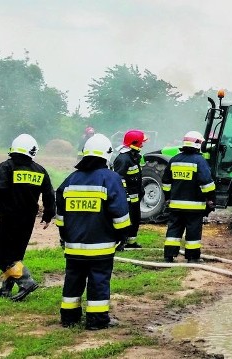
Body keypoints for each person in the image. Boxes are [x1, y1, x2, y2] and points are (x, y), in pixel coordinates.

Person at [56, 133, 130, 329]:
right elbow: (120, 213)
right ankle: (96, 320)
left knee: (73, 280)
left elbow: (61, 215)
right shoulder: (111, 178)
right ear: (107, 155)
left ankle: (69, 317)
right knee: (98, 281)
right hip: (100, 247)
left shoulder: (70, 180)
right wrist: (122, 236)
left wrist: (64, 236)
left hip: (73, 247)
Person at [0, 134, 55, 301]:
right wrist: (48, 215)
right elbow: (49, 194)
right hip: (28, 219)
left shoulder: (7, 166)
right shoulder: (40, 170)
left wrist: (3, 201)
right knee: (16, 254)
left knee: (1, 254)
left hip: (9, 217)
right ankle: (5, 289)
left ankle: (27, 282)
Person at [161, 131, 216, 263]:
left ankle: (169, 256)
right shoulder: (199, 161)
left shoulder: (174, 160)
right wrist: (210, 198)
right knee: (193, 231)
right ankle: (192, 257)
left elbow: (166, 182)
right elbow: (206, 183)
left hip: (175, 205)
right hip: (194, 206)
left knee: (173, 229)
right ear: (198, 144)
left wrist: (168, 197)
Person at [112, 130, 147, 249]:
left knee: (135, 219)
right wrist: (125, 195)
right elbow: (119, 179)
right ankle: (121, 242)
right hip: (127, 197)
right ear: (134, 143)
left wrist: (141, 190)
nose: (142, 145)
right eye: (141, 143)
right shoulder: (123, 159)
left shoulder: (134, 157)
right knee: (125, 221)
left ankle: (131, 242)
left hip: (135, 196)